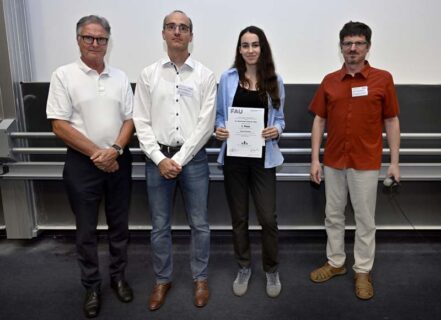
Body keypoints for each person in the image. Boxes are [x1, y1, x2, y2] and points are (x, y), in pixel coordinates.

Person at [46, 15, 134, 318]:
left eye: (101, 39)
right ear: (78, 39)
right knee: (85, 231)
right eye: (89, 38)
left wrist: (115, 150)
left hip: (119, 160)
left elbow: (129, 120)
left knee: (119, 227)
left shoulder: (120, 77)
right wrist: (99, 153)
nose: (95, 44)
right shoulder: (63, 75)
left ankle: (118, 278)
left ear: (109, 42)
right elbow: (59, 124)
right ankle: (92, 286)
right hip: (82, 165)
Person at [308, 21, 400, 300]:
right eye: (347, 43)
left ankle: (362, 270)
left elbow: (392, 120)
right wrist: (315, 160)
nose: (352, 48)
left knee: (364, 220)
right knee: (333, 216)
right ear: (341, 47)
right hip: (334, 161)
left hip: (366, 162)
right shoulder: (329, 81)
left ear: (368, 47)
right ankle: (336, 262)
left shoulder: (383, 79)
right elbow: (319, 120)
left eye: (358, 43)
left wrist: (395, 163)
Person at [133, 10, 216, 310]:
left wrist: (178, 159)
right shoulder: (148, 75)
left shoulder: (205, 75)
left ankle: (201, 278)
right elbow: (140, 121)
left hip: (192, 161)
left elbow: (206, 125)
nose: (177, 32)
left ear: (191, 35)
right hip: (158, 161)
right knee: (159, 225)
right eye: (172, 27)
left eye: (183, 28)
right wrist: (159, 158)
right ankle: (162, 279)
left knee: (200, 224)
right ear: (163, 33)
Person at [215, 26, 285, 298]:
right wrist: (220, 130)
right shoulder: (228, 77)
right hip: (234, 158)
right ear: (239, 49)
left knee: (268, 218)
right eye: (245, 45)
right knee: (239, 218)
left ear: (262, 48)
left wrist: (275, 131)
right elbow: (220, 116)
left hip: (262, 158)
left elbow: (280, 120)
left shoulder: (275, 80)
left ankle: (271, 269)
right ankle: (244, 266)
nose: (250, 50)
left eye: (255, 45)